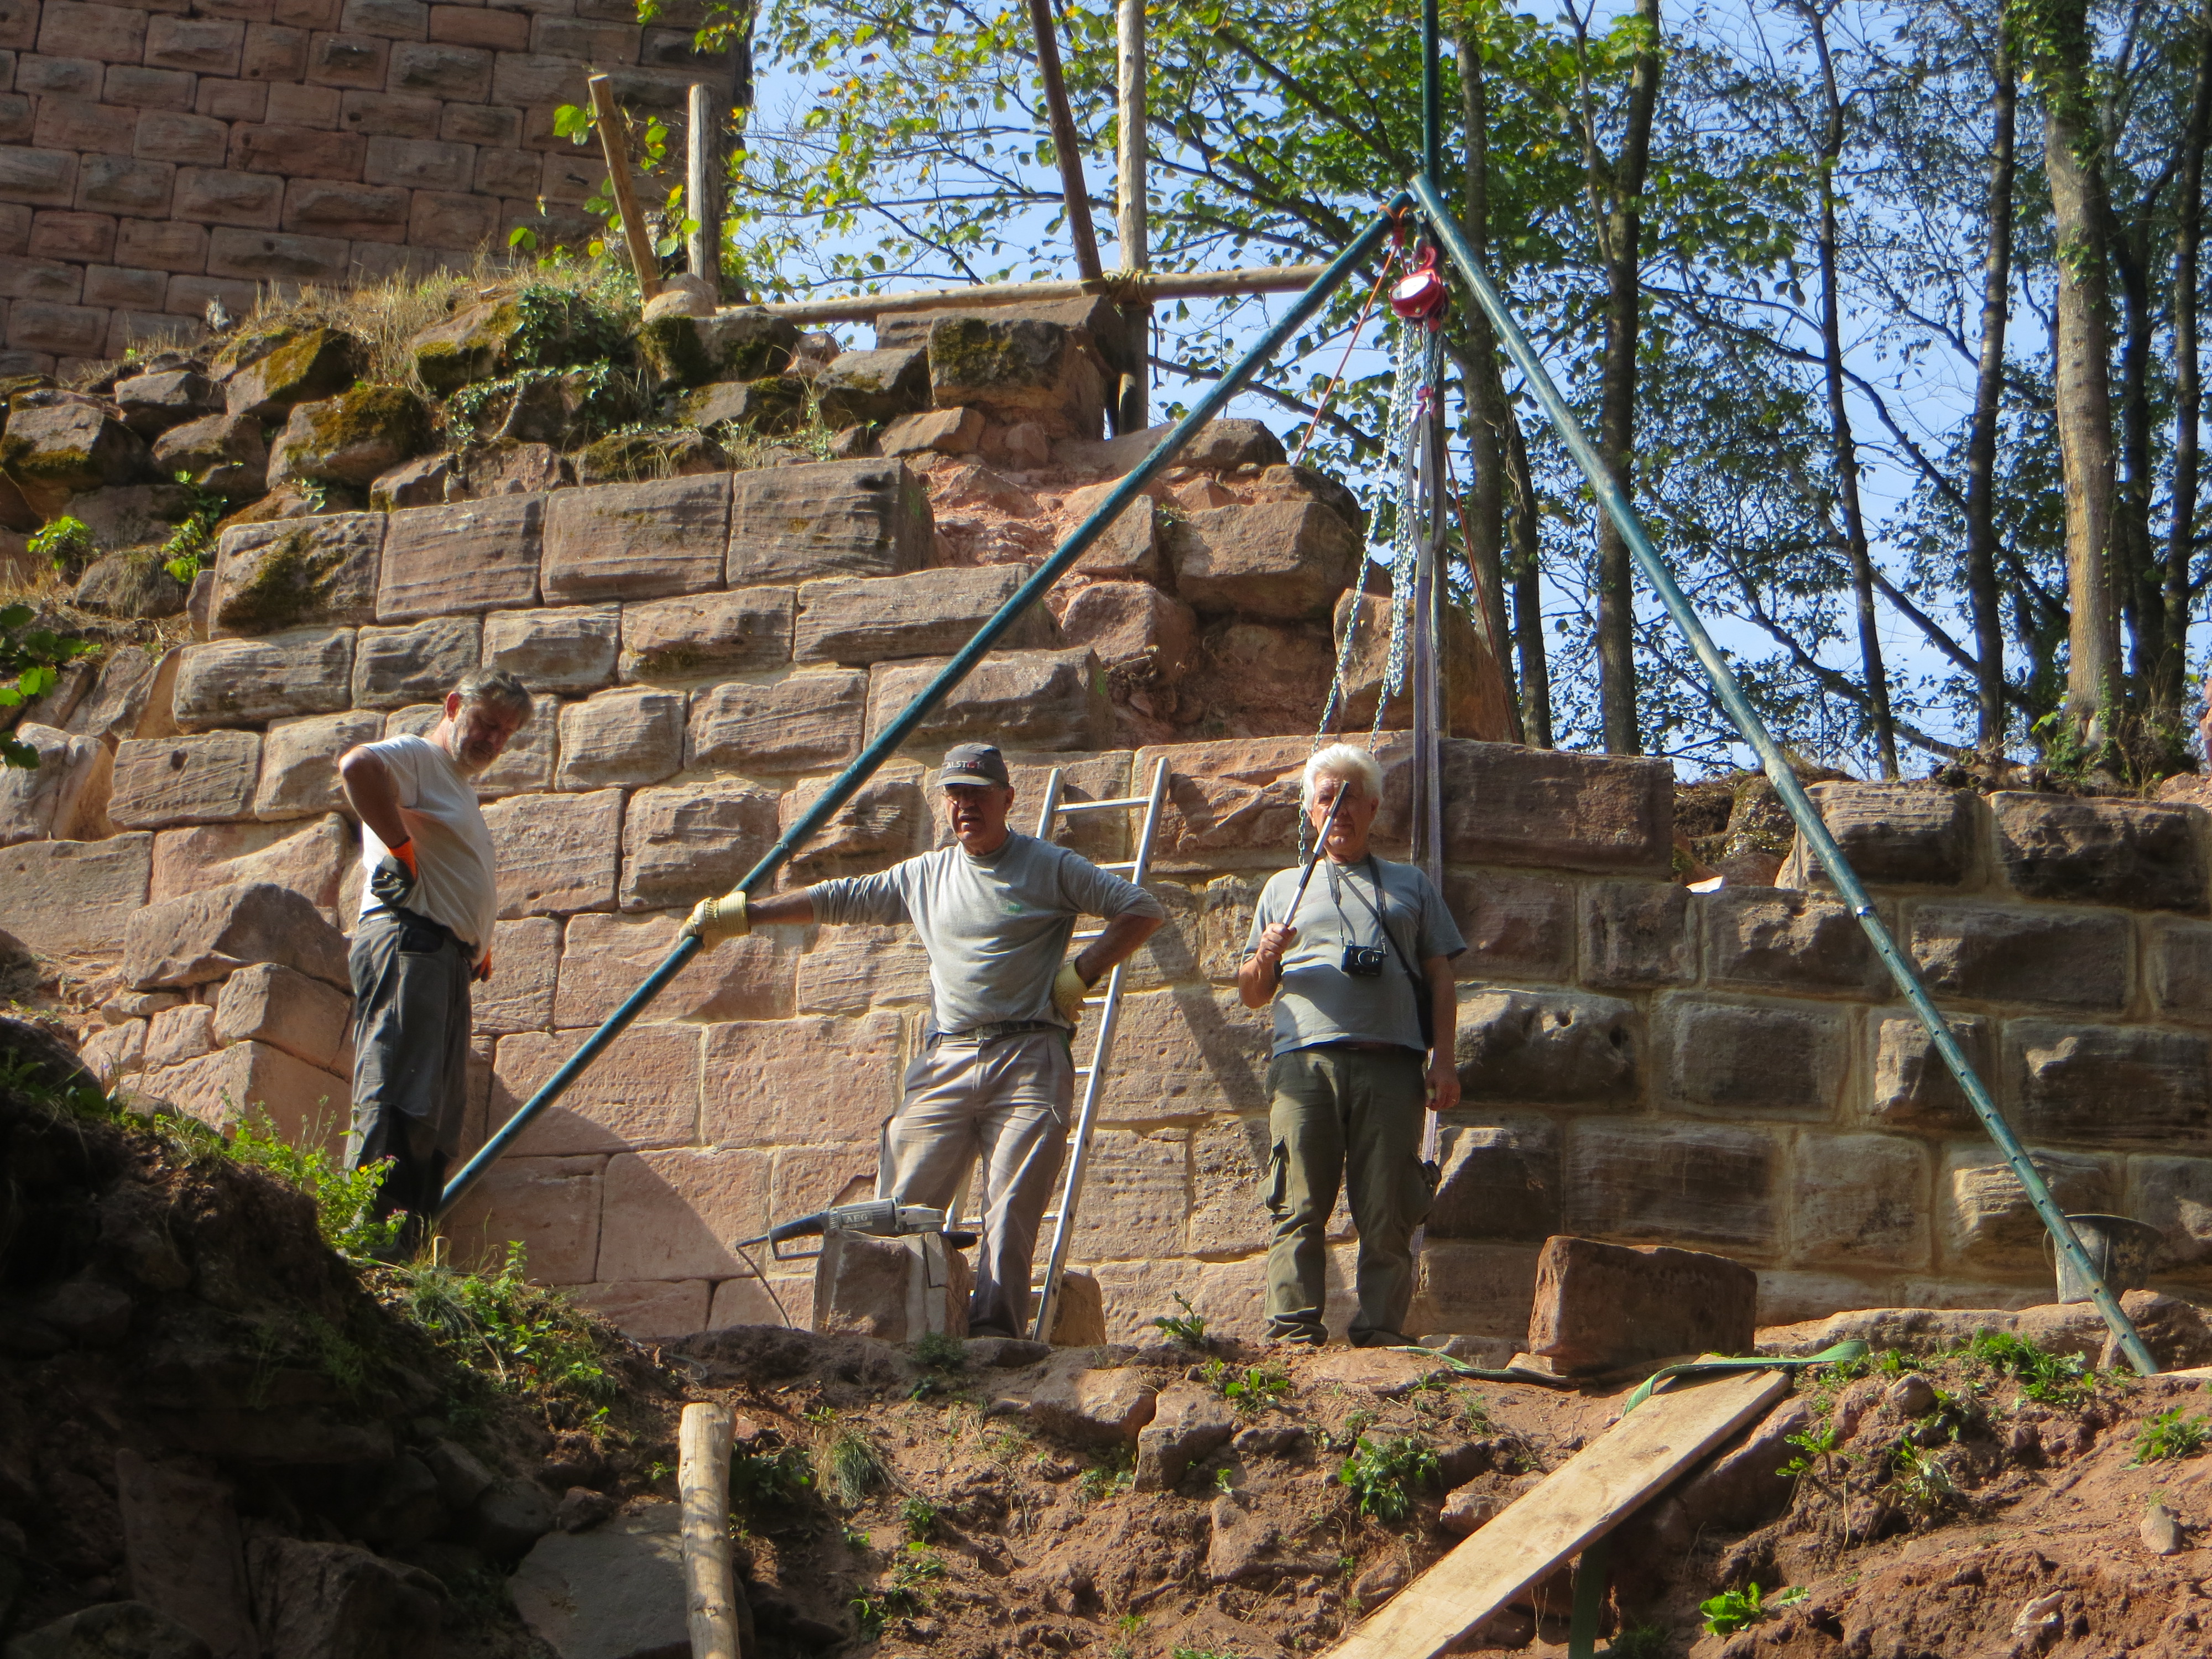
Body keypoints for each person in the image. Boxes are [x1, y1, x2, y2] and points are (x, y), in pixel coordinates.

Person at [683, 742, 1167, 1337]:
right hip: (949, 1056)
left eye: (978, 794)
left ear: (1007, 799)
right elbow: (840, 898)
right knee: (899, 1210)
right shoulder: (926, 875)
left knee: (1011, 1213)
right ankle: (891, 1343)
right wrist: (742, 915)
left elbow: (1140, 909)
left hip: (1029, 1057)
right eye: (955, 795)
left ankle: (994, 1344)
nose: (966, 806)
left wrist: (1081, 974)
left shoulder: (1048, 866)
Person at [1237, 742, 1464, 1348]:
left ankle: (1381, 1332)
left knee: (1389, 1207)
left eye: (1349, 799)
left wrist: (1444, 1060)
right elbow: (1252, 994)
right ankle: (1292, 1335)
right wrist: (1265, 955)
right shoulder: (1283, 888)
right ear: (1309, 810)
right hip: (1304, 1066)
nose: (1337, 811)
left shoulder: (1410, 885)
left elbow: (1441, 976)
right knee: (1297, 1204)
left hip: (1392, 1065)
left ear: (1372, 808)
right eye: (1325, 799)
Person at [337, 669, 534, 1250]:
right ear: (453, 707)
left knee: (436, 1115)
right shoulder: (421, 757)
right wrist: (400, 849)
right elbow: (358, 767)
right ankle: (367, 1241)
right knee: (398, 1091)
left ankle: (402, 1254)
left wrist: (476, 936)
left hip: (442, 956)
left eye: (505, 733)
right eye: (486, 724)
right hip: (410, 943)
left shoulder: (454, 784)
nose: (493, 740)